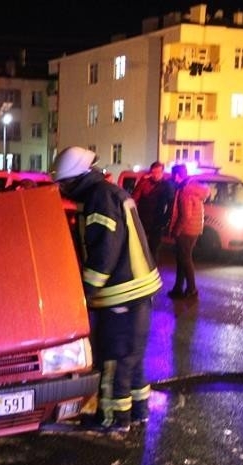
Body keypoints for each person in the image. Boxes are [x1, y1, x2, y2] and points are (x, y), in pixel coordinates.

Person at [52, 146, 162, 430]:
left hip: (120, 294)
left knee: (114, 359)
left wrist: (84, 294)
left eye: (64, 183)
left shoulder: (99, 199)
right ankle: (138, 411)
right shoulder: (108, 193)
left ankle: (113, 419)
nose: (62, 189)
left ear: (76, 178)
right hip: (135, 292)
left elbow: (104, 253)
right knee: (131, 359)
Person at [168, 164, 211, 299]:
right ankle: (178, 288)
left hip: (186, 230)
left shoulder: (185, 190)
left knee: (185, 259)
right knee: (182, 258)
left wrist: (176, 230)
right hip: (193, 229)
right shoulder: (193, 188)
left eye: (173, 175)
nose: (172, 178)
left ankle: (191, 289)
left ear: (177, 175)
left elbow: (185, 215)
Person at [132, 161, 176, 260]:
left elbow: (171, 204)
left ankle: (153, 266)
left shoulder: (166, 185)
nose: (155, 175)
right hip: (143, 219)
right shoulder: (145, 183)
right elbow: (134, 197)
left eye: (158, 172)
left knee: (154, 248)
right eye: (153, 172)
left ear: (162, 172)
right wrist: (141, 182)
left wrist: (166, 219)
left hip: (157, 221)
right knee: (140, 247)